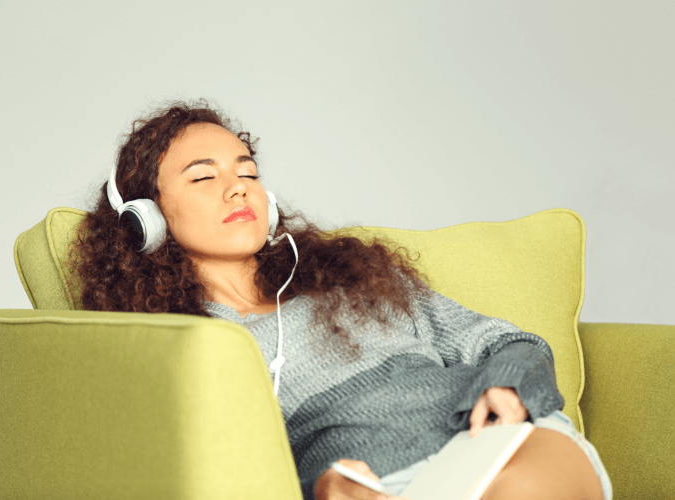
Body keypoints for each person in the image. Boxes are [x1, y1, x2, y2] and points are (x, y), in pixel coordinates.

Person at [67, 99, 612, 500]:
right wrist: (314, 490)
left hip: (499, 446)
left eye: (248, 172)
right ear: (149, 219)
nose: (239, 188)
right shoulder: (185, 346)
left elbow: (504, 339)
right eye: (204, 177)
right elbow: (208, 476)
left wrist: (510, 386)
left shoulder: (354, 281)